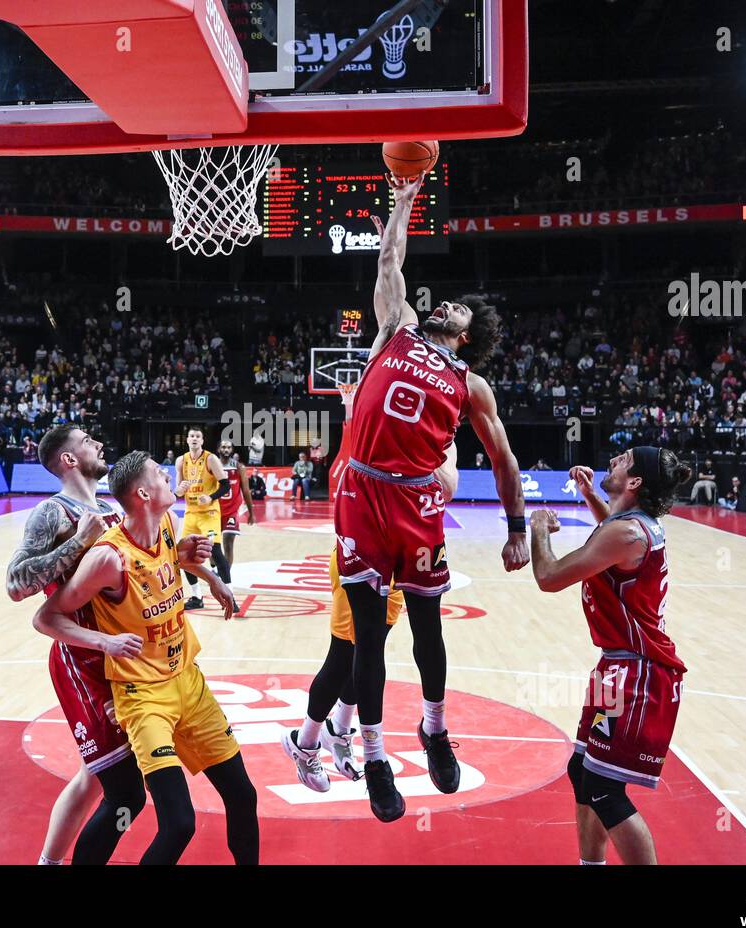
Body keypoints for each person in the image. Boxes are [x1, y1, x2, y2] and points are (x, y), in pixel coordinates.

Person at [332, 174, 528, 822]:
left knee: (425, 629)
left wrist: (517, 526)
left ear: (470, 335)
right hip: (362, 489)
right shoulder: (398, 326)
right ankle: (376, 756)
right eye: (447, 303)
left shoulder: (471, 385)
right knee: (367, 637)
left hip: (417, 504)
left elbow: (502, 458)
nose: (445, 306)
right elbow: (390, 258)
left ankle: (434, 728)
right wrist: (406, 198)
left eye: (459, 310)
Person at [36, 451, 258, 865]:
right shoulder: (108, 558)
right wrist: (106, 643)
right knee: (175, 822)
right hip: (143, 696)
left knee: (243, 795)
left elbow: (171, 560)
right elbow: (46, 617)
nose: (170, 475)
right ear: (142, 494)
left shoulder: (170, 526)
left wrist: (212, 579)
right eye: (160, 473)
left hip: (188, 682)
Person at [528, 447, 691, 866]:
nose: (614, 460)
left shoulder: (627, 535)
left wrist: (537, 528)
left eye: (623, 459)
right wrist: (588, 493)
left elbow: (548, 577)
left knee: (603, 788)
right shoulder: (630, 527)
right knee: (583, 773)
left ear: (635, 483)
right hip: (618, 667)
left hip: (639, 674)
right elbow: (612, 530)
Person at [284, 439, 458, 790]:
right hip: (364, 550)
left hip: (406, 550)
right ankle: (304, 742)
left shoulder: (442, 434)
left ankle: (339, 728)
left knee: (370, 649)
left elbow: (448, 488)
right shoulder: (383, 419)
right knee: (344, 655)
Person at [6, 425, 138, 866]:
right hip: (82, 661)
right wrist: (80, 540)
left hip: (119, 656)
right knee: (126, 790)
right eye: (86, 441)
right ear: (68, 459)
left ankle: (49, 863)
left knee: (94, 775)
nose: (99, 444)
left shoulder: (108, 509)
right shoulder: (53, 512)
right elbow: (15, 584)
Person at [174, 427, 232, 611]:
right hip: (191, 513)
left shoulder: (210, 459)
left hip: (209, 513)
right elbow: (177, 491)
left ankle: (229, 595)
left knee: (215, 552)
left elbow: (226, 485)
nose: (194, 439)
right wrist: (180, 490)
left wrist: (211, 497)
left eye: (197, 436)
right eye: (191, 436)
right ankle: (197, 597)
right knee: (185, 555)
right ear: (187, 440)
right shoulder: (181, 461)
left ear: (202, 440)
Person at [215, 439, 255, 578]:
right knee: (212, 547)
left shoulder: (239, 467)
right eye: (223, 447)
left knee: (228, 542)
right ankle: (215, 565)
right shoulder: (212, 466)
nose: (226, 450)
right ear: (219, 449)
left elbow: (246, 490)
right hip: (214, 511)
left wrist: (251, 512)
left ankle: (225, 576)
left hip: (231, 512)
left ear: (232, 450)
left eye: (228, 447)